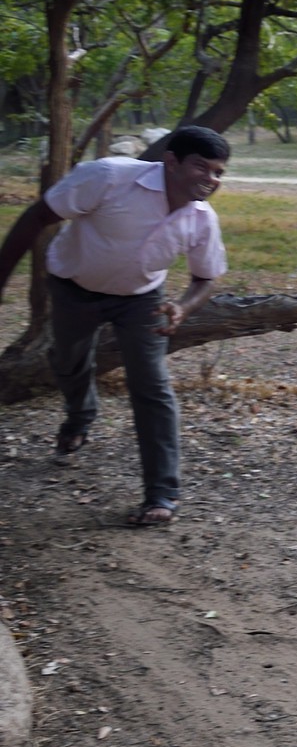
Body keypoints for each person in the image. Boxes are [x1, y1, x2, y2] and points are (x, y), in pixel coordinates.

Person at [0, 124, 231, 526]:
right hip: (74, 287)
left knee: (152, 386)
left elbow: (206, 277)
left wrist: (183, 307)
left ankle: (162, 493)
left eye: (218, 172)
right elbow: (37, 216)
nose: (211, 180)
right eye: (202, 167)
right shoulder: (108, 177)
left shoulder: (201, 220)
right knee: (68, 359)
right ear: (171, 161)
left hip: (142, 301)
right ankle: (79, 416)